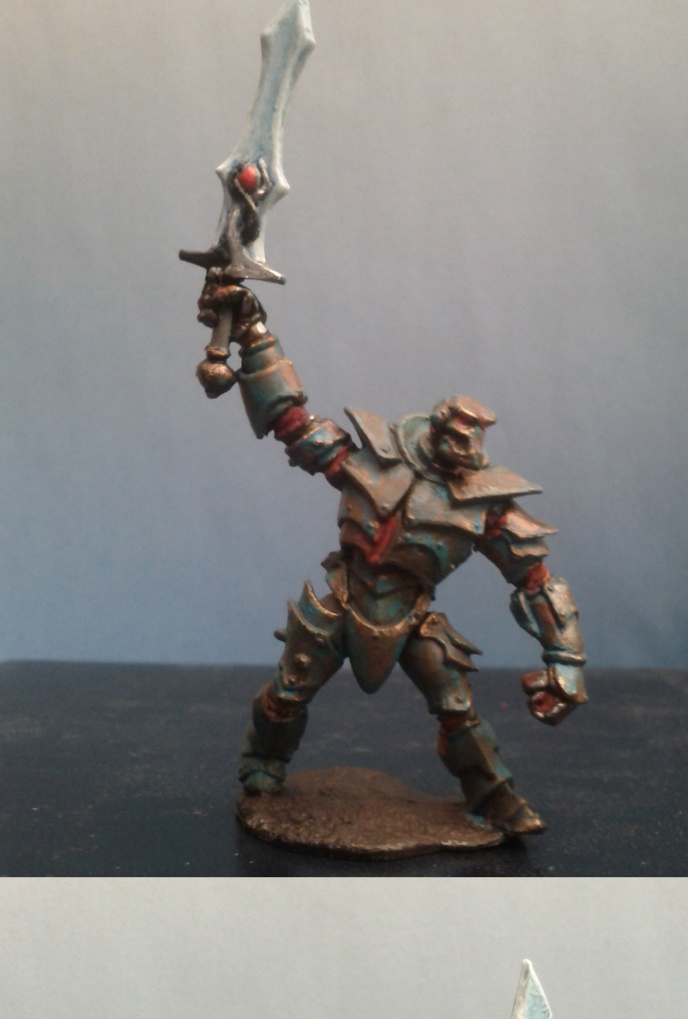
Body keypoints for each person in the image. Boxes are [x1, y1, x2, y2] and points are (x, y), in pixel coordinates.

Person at [196, 262, 587, 837]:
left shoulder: (484, 507)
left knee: (456, 709)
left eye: (470, 441)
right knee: (285, 694)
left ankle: (495, 798)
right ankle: (262, 767)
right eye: (453, 435)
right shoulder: (370, 462)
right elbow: (292, 422)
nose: (460, 447)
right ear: (433, 431)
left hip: (412, 615)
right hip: (343, 600)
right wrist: (253, 334)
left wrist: (566, 663)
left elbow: (537, 580)